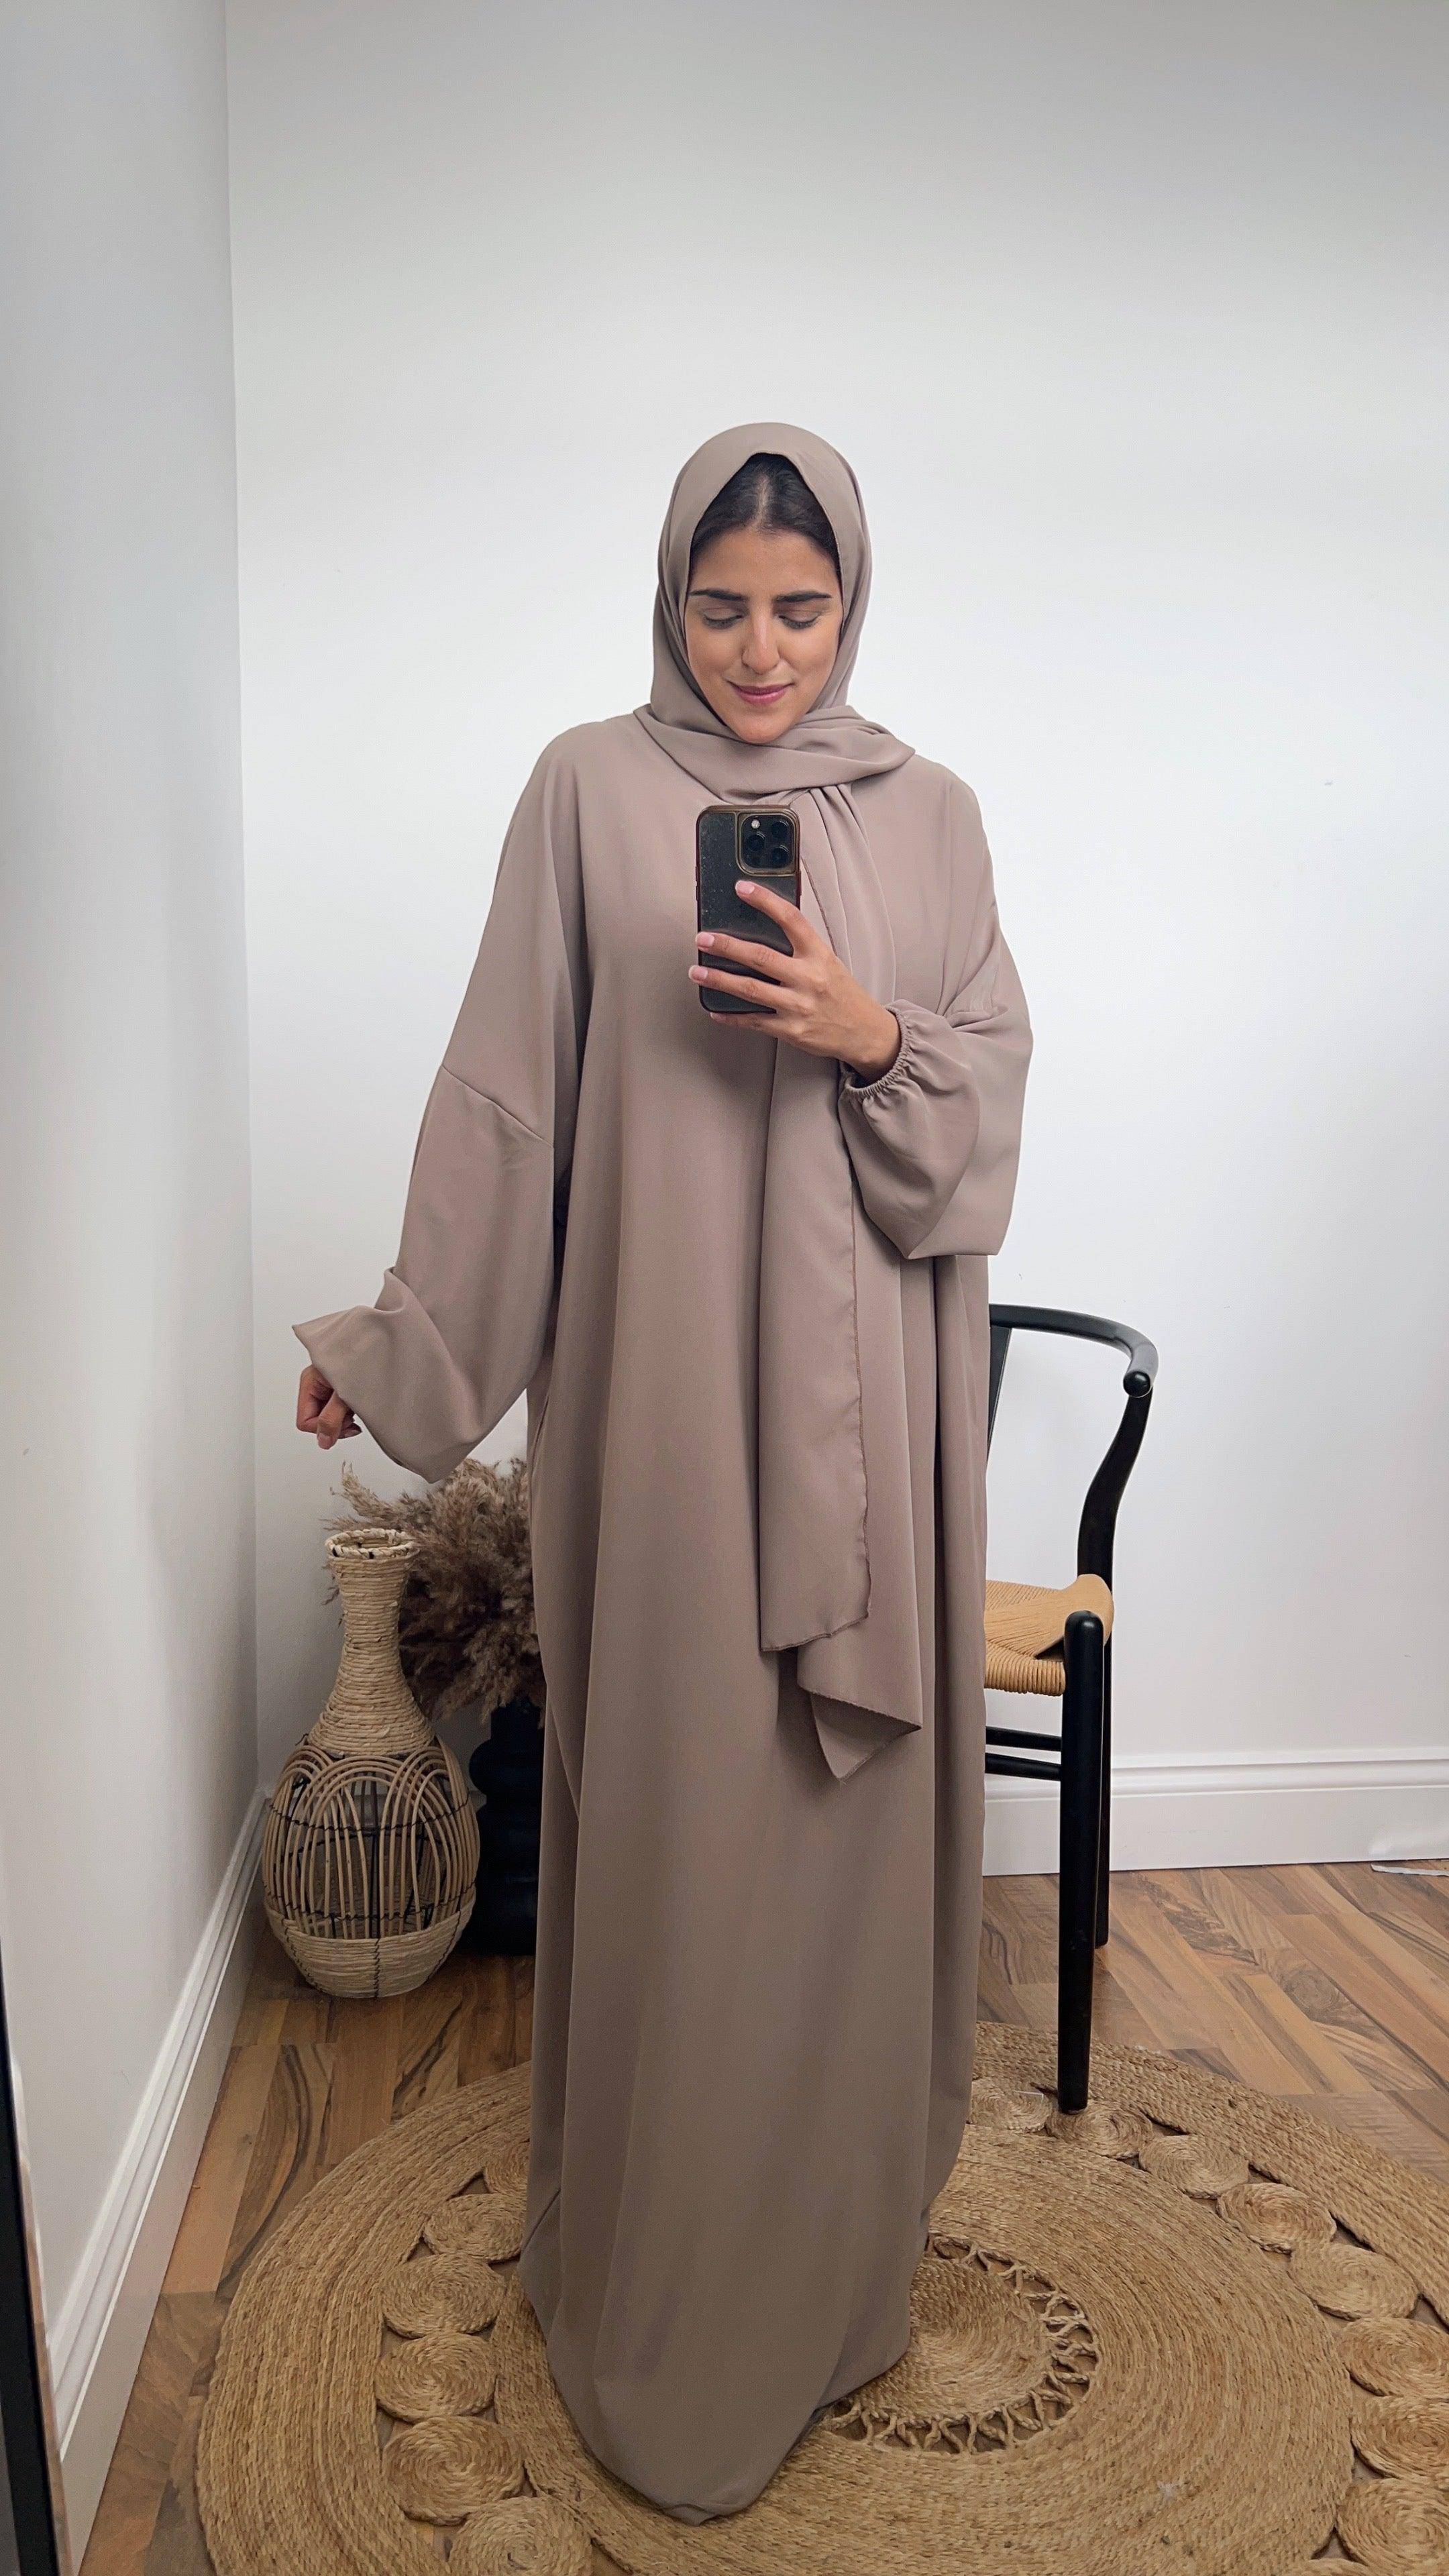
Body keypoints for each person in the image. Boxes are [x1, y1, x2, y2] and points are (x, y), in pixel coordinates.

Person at [294, 422, 1032, 2522]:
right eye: (721, 609)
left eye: (800, 608)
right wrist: (401, 1349)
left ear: (853, 602)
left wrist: (868, 1032)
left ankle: (832, 2290)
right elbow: (506, 1098)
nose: (761, 651)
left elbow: (992, 1094)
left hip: (878, 1432)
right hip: (668, 1424)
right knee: (695, 1840)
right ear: (667, 599)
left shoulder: (937, 816)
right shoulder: (584, 793)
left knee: (842, 1856)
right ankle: (667, 2311)